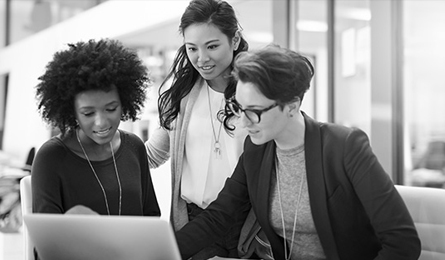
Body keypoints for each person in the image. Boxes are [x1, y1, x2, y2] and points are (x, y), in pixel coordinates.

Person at [175, 45, 421, 260]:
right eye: (239, 108)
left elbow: (403, 242)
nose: (244, 121)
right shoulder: (256, 150)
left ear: (291, 106)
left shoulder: (344, 147)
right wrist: (162, 251)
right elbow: (220, 215)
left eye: (254, 111)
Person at [145, 0, 249, 258]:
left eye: (212, 46)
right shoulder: (182, 96)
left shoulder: (255, 94)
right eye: (192, 48)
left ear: (234, 40)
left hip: (248, 223)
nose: (201, 59)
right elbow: (151, 155)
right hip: (194, 222)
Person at [32, 38, 161, 218]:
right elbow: (46, 241)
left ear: (124, 103)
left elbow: (151, 217)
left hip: (136, 247)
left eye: (111, 109)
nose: (101, 122)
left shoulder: (134, 147)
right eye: (88, 113)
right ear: (72, 112)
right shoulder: (51, 157)